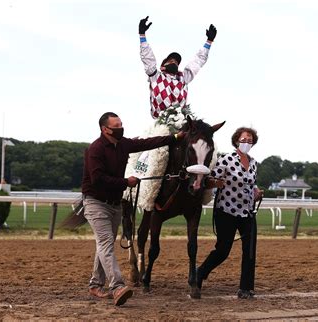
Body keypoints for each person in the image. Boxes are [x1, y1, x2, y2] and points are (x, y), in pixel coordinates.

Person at [81, 112, 183, 306]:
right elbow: (98, 179)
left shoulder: (124, 144)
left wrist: (175, 137)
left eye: (121, 123)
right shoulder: (95, 149)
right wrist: (126, 182)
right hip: (95, 203)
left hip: (114, 204)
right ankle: (117, 286)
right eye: (116, 125)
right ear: (105, 129)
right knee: (105, 244)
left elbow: (147, 143)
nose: (121, 127)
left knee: (105, 245)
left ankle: (95, 284)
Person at [196, 127, 264, 299]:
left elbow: (252, 184)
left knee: (249, 251)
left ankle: (246, 288)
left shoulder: (254, 163)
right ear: (236, 141)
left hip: (247, 212)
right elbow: (209, 180)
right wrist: (215, 183)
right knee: (223, 250)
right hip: (226, 211)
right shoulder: (226, 159)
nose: (246, 142)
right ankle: (199, 273)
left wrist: (257, 193)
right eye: (243, 140)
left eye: (249, 140)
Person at [138, 16, 217, 119]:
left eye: (176, 62)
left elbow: (198, 61)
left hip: (181, 122)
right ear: (162, 67)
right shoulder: (155, 76)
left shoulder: (184, 77)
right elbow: (148, 58)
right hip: (160, 123)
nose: (174, 62)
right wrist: (142, 35)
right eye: (170, 61)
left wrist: (209, 41)